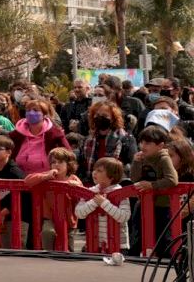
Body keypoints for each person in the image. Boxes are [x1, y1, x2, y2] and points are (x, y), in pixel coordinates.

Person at [129, 126, 180, 257]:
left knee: (163, 236)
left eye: (148, 143)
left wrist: (152, 185)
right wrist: (136, 163)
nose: (143, 146)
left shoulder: (163, 158)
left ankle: (166, 260)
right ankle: (134, 257)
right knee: (138, 233)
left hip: (162, 205)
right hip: (143, 202)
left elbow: (172, 180)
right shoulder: (142, 157)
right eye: (141, 142)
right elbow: (134, 179)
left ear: (160, 145)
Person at [22, 148, 81, 251]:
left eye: (60, 162)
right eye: (53, 162)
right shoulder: (48, 176)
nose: (56, 165)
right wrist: (45, 176)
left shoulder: (73, 178)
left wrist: (76, 186)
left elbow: (82, 193)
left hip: (68, 220)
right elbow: (27, 180)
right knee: (47, 232)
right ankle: (48, 254)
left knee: (68, 246)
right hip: (50, 217)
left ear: (68, 164)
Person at [75, 157, 131, 254]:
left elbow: (124, 217)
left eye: (99, 171)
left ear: (112, 176)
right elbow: (79, 213)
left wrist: (104, 203)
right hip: (94, 244)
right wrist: (94, 202)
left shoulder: (121, 193)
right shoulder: (90, 192)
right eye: (94, 170)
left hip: (118, 245)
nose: (94, 173)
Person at [77, 101, 137, 184]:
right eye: (97, 115)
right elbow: (81, 164)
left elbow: (131, 165)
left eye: (104, 116)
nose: (100, 118)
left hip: (116, 185)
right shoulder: (88, 140)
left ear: (113, 119)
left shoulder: (126, 139)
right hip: (90, 184)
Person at [9, 98, 68, 177]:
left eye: (36, 110)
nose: (31, 113)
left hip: (48, 178)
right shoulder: (16, 134)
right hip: (20, 179)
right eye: (28, 110)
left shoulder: (55, 134)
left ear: (44, 114)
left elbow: (68, 155)